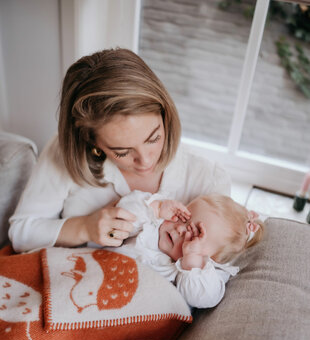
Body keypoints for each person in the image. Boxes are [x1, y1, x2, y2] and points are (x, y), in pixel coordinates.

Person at [9, 48, 231, 253]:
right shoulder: (65, 154)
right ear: (91, 141)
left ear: (165, 115)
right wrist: (85, 227)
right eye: (122, 152)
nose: (145, 161)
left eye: (154, 138)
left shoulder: (208, 179)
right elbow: (21, 233)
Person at [103, 191, 264, 308]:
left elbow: (204, 298)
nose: (180, 229)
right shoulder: (153, 224)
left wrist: (193, 258)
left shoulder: (193, 274)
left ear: (209, 259)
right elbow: (119, 216)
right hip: (100, 274)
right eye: (183, 218)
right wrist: (156, 209)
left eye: (193, 235)